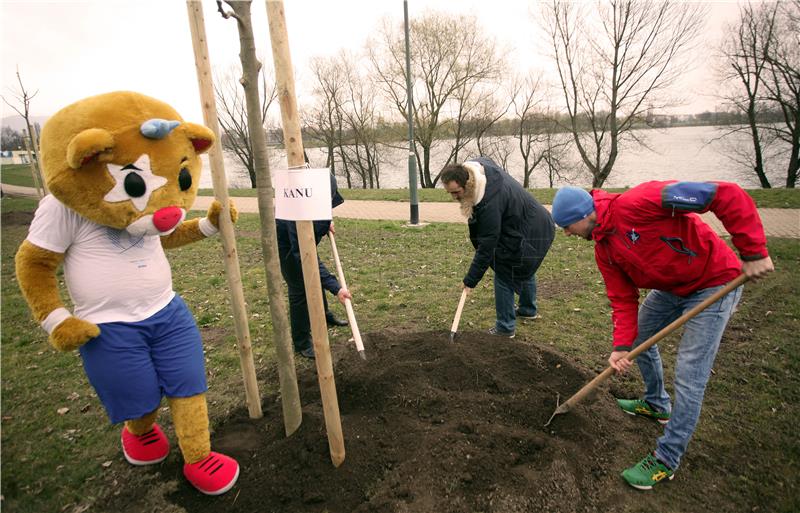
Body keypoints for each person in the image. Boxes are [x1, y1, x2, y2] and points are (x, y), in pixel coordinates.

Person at [551, 181, 774, 490]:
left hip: (715, 281)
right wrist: (621, 346)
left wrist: (753, 251)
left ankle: (666, 459)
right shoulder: (604, 249)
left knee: (689, 372)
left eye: (566, 226)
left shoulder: (639, 201)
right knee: (639, 339)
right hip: (672, 288)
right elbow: (622, 298)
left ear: (583, 214)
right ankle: (656, 403)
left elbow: (724, 194)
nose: (566, 233)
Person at [441, 157, 555, 338]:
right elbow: (486, 159)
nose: (454, 197)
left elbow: (486, 246)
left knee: (505, 271)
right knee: (523, 263)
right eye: (449, 193)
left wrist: (471, 279)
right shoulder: (478, 170)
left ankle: (505, 327)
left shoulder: (488, 203)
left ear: (468, 183)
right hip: (532, 220)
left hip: (533, 229)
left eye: (456, 192)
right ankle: (527, 309)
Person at [277, 173, 351, 359]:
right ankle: (301, 342)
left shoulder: (317, 193)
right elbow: (303, 254)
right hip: (288, 248)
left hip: (302, 245)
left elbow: (322, 208)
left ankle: (324, 315)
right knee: (299, 290)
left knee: (315, 280)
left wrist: (327, 222)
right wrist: (336, 288)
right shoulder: (297, 212)